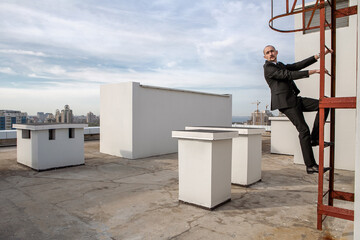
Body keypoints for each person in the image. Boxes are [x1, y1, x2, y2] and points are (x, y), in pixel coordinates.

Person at [263, 45, 331, 174]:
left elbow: (297, 66)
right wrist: (314, 71)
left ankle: (314, 139)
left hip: (294, 99)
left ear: (276, 52)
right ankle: (310, 165)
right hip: (286, 103)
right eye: (267, 52)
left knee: (324, 104)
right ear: (265, 56)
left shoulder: (280, 64)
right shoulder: (268, 68)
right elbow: (288, 75)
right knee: (303, 130)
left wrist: (319, 55)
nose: (270, 53)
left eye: (272, 51)